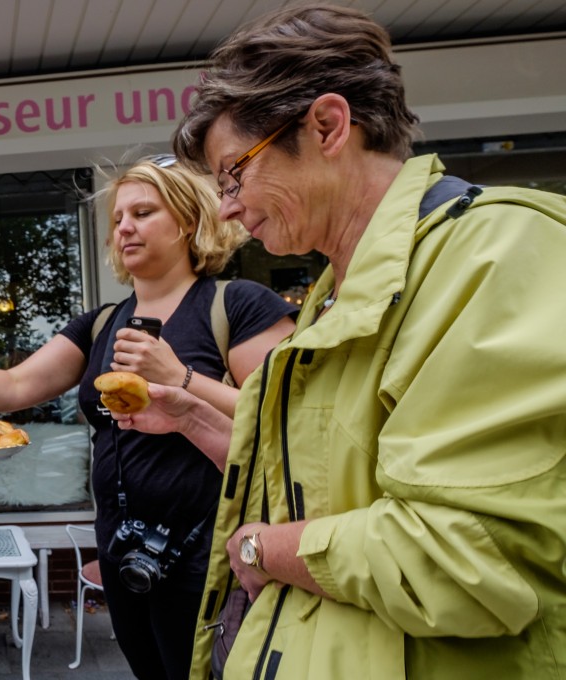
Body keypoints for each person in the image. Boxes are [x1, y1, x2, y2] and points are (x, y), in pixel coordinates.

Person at [114, 5, 566, 679]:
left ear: (327, 126)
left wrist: (261, 550)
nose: (228, 206)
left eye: (235, 174)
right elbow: (312, 486)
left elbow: (469, 563)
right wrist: (190, 415)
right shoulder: (331, 294)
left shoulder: (496, 254)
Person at [0, 155, 295, 679]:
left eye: (143, 212)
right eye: (118, 218)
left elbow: (286, 413)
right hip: (123, 547)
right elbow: (20, 383)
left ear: (188, 222)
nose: (124, 226)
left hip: (212, 550)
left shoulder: (237, 304)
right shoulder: (103, 323)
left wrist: (179, 378)